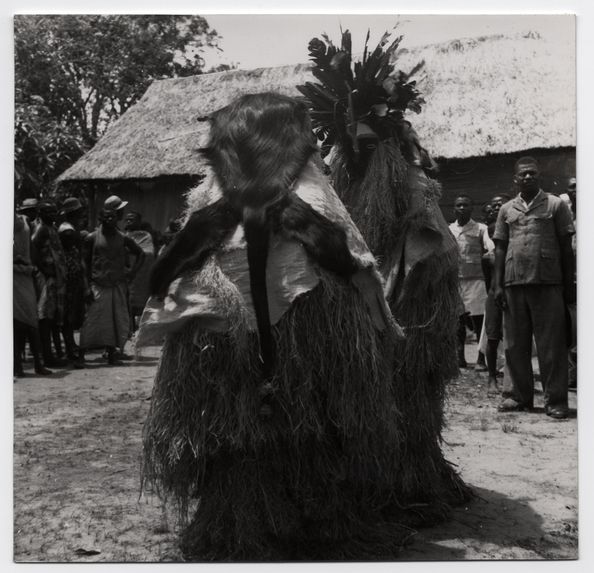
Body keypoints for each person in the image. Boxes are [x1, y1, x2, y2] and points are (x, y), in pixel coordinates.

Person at [138, 92, 430, 560]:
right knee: (303, 417)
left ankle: (241, 522)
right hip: (302, 325)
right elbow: (351, 257)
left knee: (239, 424)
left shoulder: (216, 193)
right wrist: (376, 309)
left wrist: (161, 281)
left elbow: (180, 253)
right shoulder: (309, 190)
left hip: (227, 328)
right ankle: (293, 522)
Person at [493, 157, 575, 419]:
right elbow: (499, 248)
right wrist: (497, 285)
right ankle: (519, 396)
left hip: (548, 281)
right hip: (513, 281)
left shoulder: (555, 205)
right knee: (515, 344)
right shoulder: (506, 209)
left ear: (539, 177)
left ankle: (556, 401)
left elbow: (566, 247)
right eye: (523, 175)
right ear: (515, 179)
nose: (527, 178)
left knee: (551, 345)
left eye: (532, 174)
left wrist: (569, 283)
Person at [79, 196, 145, 365]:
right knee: (92, 319)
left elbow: (141, 254)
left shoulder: (123, 238)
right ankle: (81, 355)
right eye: (106, 217)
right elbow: (84, 263)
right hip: (97, 284)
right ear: (101, 219)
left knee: (115, 320)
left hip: (116, 284)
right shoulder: (92, 238)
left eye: (113, 217)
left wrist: (132, 273)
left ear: (117, 218)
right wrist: (86, 287)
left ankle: (111, 352)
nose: (110, 220)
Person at [449, 195, 494, 369]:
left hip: (476, 280)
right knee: (458, 322)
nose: (462, 208)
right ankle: (459, 357)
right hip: (456, 281)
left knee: (480, 322)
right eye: (459, 205)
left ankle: (481, 359)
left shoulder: (481, 229)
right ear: (454, 208)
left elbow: (490, 247)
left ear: (471, 208)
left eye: (465, 205)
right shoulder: (449, 229)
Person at [14, 211, 52, 377]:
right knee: (15, 324)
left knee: (31, 320)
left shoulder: (24, 220)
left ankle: (37, 363)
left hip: (26, 276)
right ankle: (18, 367)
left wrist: (32, 268)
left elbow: (30, 249)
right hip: (14, 276)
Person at [31, 200, 68, 368]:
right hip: (47, 279)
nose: (52, 215)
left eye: (54, 212)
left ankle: (49, 355)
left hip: (56, 278)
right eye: (48, 212)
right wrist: (45, 271)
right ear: (40, 213)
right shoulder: (41, 229)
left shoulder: (51, 228)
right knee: (45, 317)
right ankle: (46, 356)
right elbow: (33, 250)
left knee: (51, 318)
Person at [480, 194, 511, 392]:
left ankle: (512, 378)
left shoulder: (511, 253)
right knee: (492, 337)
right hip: (494, 295)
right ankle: (492, 377)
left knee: (513, 338)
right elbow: (487, 280)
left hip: (512, 294)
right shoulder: (487, 257)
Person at [58, 197, 89, 367]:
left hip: (74, 276)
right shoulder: (68, 230)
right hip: (69, 277)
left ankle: (71, 347)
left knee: (73, 313)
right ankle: (70, 349)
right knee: (69, 315)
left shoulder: (71, 229)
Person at [123, 211, 155, 329]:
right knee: (127, 300)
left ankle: (142, 327)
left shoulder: (145, 236)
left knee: (142, 301)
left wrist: (131, 251)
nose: (129, 221)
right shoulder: (122, 235)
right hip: (127, 273)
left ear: (139, 222)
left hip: (141, 276)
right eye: (127, 219)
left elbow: (149, 253)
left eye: (132, 219)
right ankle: (129, 327)